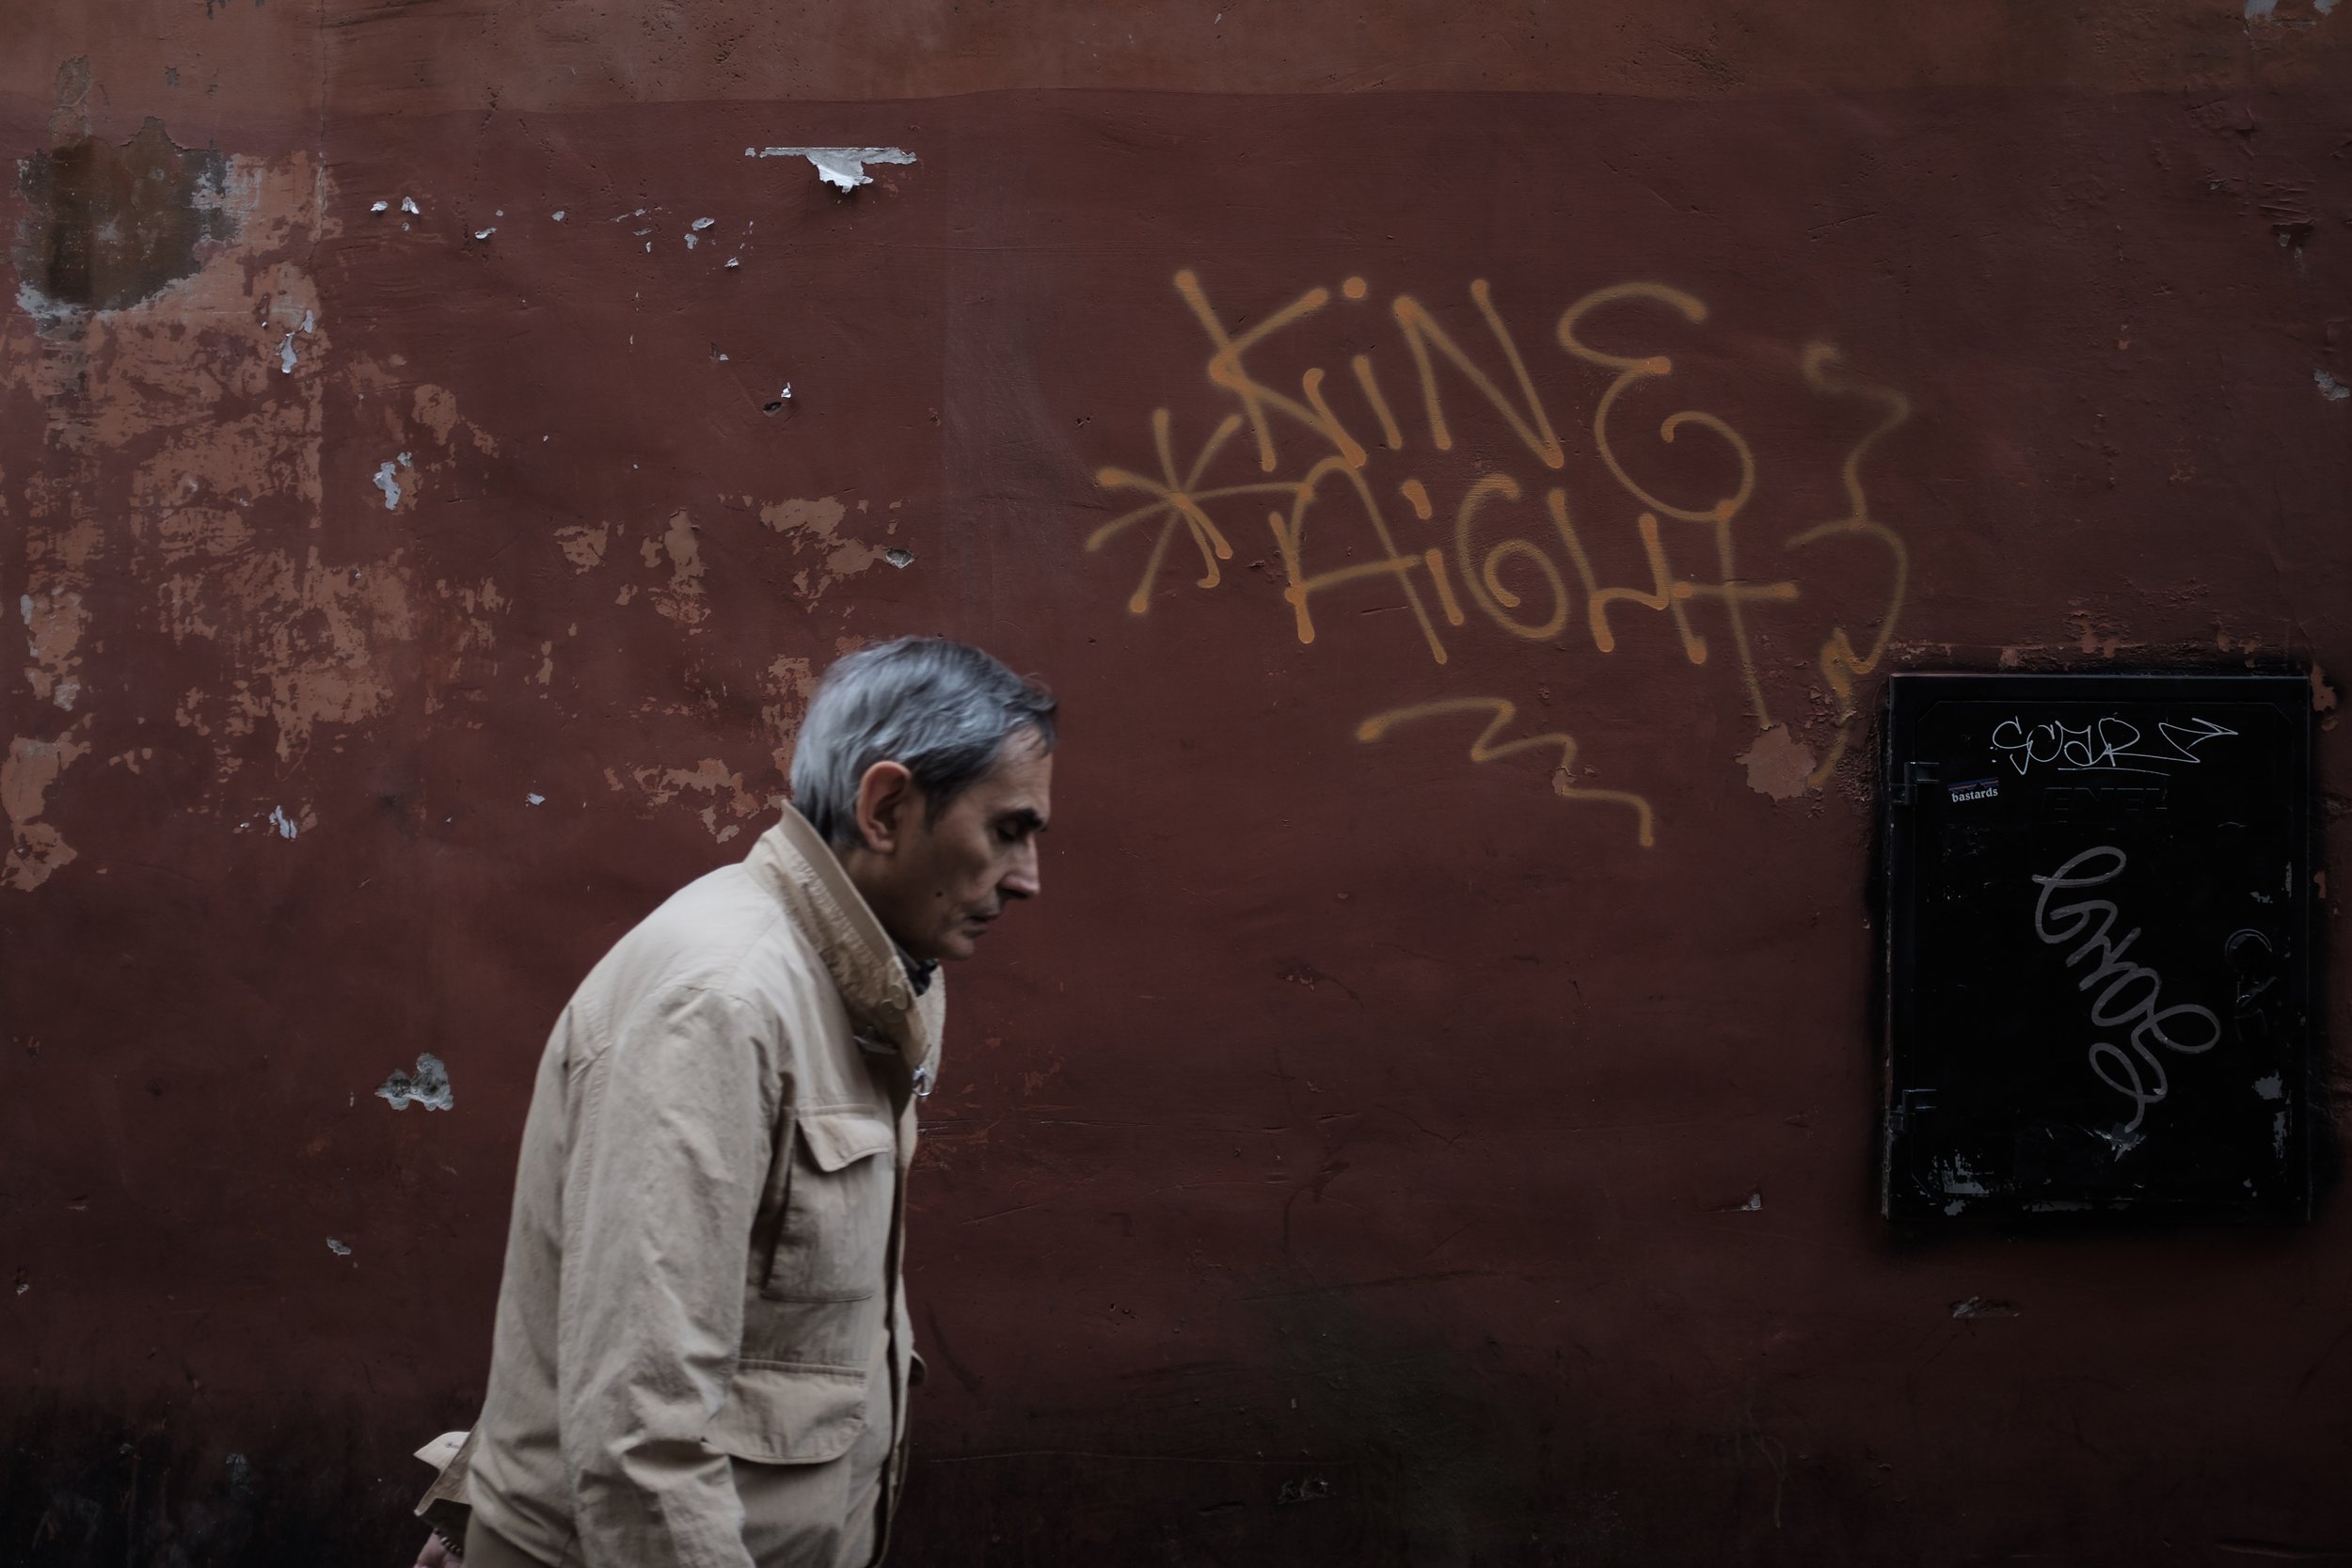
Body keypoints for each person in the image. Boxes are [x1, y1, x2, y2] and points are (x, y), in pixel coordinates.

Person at [409, 638, 1056, 1568]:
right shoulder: (723, 1004)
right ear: (885, 807)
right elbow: (642, 1427)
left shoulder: (876, 977)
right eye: (1007, 829)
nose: (1029, 875)